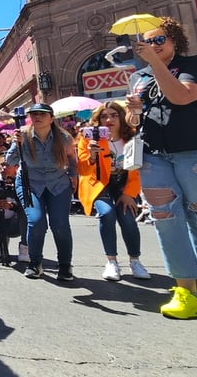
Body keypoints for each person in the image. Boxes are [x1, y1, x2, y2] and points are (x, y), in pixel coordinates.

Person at [126, 16, 197, 320]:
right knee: (166, 220)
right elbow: (138, 122)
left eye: (159, 39)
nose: (152, 46)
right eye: (147, 42)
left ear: (174, 40)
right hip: (154, 156)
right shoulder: (140, 78)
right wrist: (134, 112)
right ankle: (185, 290)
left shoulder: (196, 65)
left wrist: (155, 65)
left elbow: (181, 96)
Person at [77, 102, 151, 282]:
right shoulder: (89, 137)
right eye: (104, 116)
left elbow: (138, 167)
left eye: (114, 115)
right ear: (98, 119)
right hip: (99, 183)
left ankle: (135, 261)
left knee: (127, 219)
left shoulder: (132, 137)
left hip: (124, 184)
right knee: (107, 213)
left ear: (121, 117)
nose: (109, 119)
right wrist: (92, 154)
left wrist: (129, 193)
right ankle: (111, 261)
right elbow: (83, 169)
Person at [7, 102, 77, 281]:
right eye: (34, 114)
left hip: (58, 184)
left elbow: (71, 158)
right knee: (36, 221)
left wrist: (73, 177)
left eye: (42, 114)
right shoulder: (22, 134)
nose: (37, 117)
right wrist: (16, 144)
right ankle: (35, 263)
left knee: (60, 224)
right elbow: (11, 161)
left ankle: (65, 265)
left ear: (51, 118)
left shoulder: (64, 137)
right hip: (30, 184)